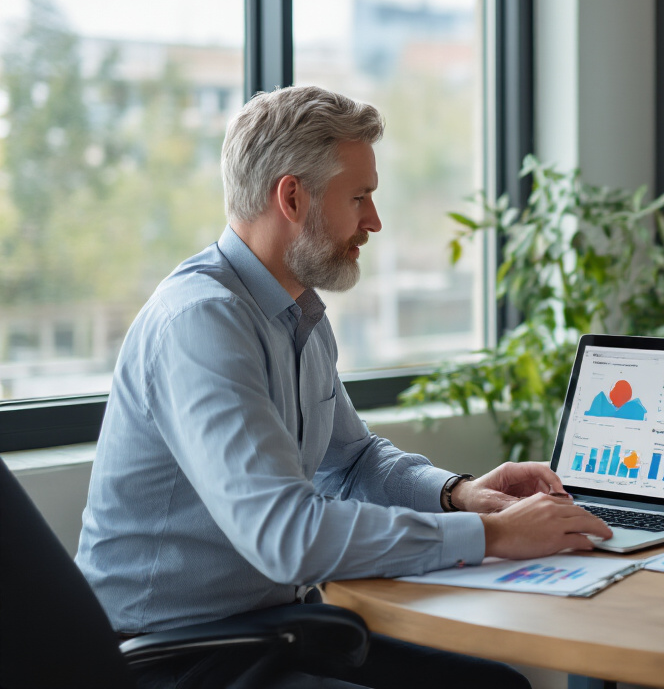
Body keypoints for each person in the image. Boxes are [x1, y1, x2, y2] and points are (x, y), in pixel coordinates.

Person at [76, 85, 611, 688]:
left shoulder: (297, 311)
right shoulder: (202, 322)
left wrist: (459, 495)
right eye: (359, 197)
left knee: (494, 686)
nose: (374, 221)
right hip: (177, 659)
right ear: (293, 197)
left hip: (272, 627)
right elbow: (289, 536)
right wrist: (491, 534)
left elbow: (352, 462)